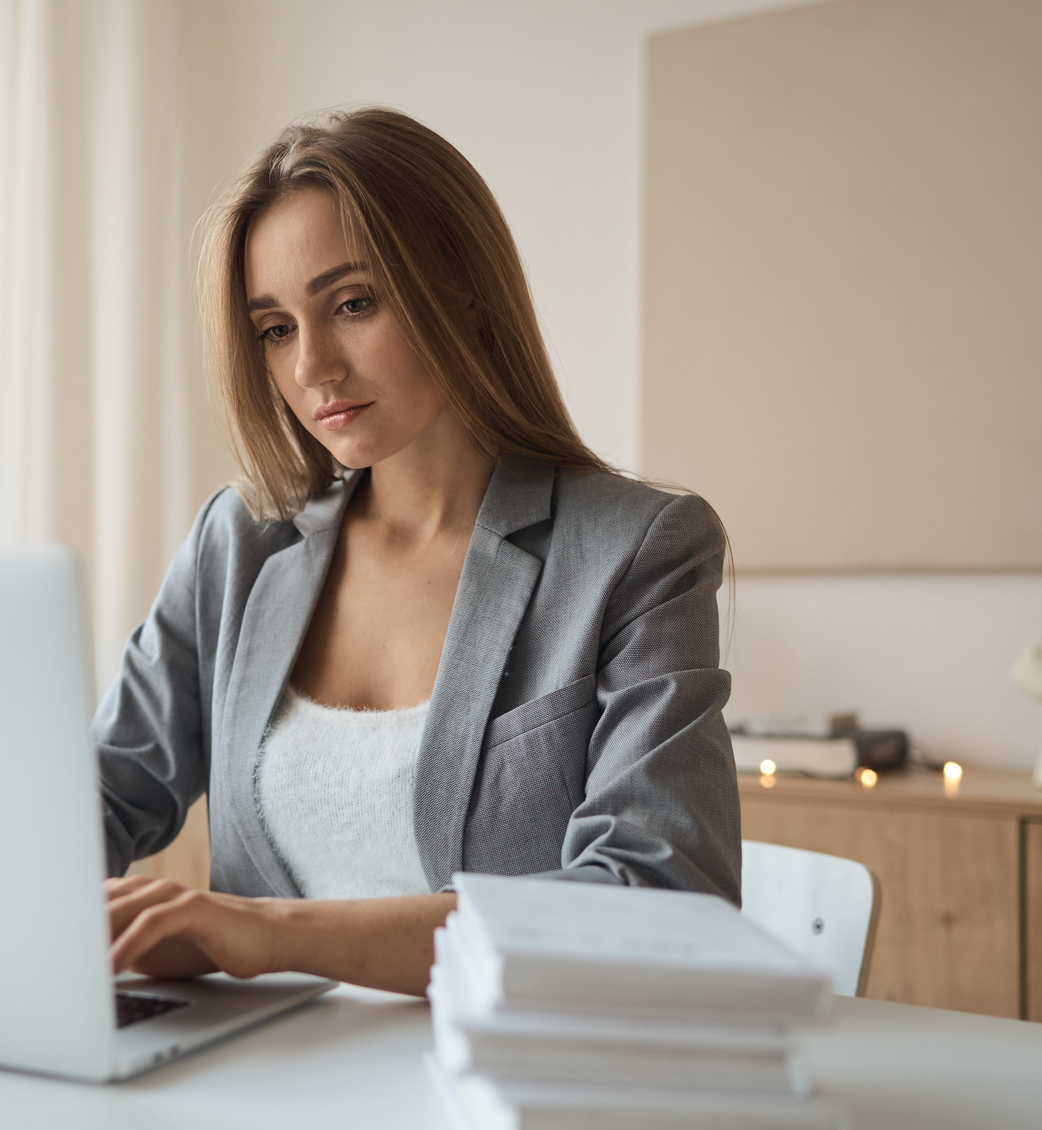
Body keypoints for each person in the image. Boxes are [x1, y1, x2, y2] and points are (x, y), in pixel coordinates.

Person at [96, 107, 738, 998]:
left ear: (464, 292)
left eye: (353, 304)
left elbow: (659, 900)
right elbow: (95, 797)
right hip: (252, 1082)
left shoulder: (636, 550)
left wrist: (273, 934)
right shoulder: (237, 544)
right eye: (276, 328)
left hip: (499, 1086)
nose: (313, 366)